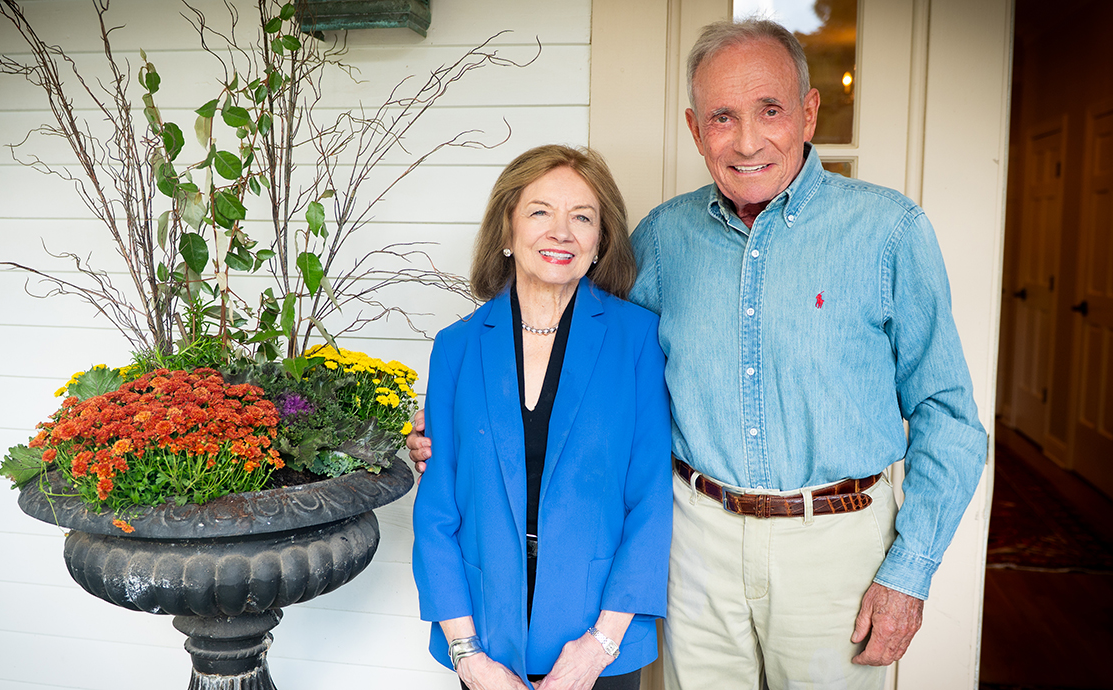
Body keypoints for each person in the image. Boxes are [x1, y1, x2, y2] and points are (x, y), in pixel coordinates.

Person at [411, 18, 987, 690]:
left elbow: (948, 414)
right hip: (696, 545)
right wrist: (455, 434)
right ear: (695, 129)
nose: (746, 141)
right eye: (722, 117)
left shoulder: (889, 232)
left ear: (808, 113)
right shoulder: (663, 239)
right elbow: (580, 349)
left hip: (837, 549)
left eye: (769, 110)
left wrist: (909, 571)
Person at [412, 145, 672, 690]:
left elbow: (650, 500)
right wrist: (468, 655)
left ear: (600, 241)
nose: (562, 232)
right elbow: (436, 512)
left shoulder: (637, 339)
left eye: (583, 217)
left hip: (598, 637)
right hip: (484, 637)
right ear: (505, 231)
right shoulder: (456, 347)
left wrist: (600, 645)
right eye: (539, 212)